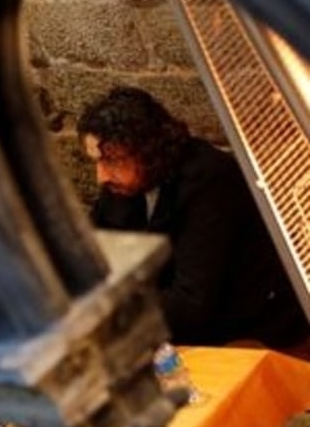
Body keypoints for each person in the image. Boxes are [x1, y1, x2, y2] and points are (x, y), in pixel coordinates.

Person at [80, 86, 309, 350]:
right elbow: (91, 252)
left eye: (112, 161)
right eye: (97, 162)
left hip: (247, 326)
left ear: (147, 150)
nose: (101, 177)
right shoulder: (122, 186)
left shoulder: (210, 181)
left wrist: (110, 311)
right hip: (175, 319)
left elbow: (191, 303)